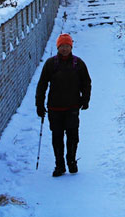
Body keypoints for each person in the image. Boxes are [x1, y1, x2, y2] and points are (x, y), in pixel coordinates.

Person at [35, 33, 92, 177]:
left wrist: (85, 100)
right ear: (58, 47)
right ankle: (59, 165)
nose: (64, 49)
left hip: (72, 107)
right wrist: (39, 105)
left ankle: (71, 161)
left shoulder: (78, 63)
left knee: (73, 136)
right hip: (55, 108)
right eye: (62, 46)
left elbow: (86, 83)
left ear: (71, 47)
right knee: (57, 137)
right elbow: (42, 85)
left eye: (67, 46)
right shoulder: (50, 64)